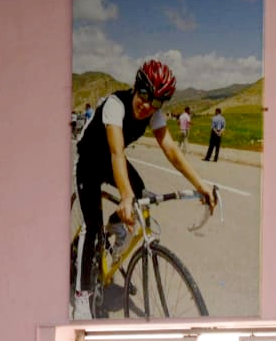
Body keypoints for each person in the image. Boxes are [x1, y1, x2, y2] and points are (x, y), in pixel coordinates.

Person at [72, 59, 216, 318]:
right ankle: (82, 296)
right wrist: (124, 195)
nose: (148, 105)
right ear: (135, 87)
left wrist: (200, 184)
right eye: (144, 95)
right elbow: (117, 153)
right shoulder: (115, 105)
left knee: (141, 195)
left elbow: (171, 150)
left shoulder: (154, 113)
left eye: (157, 102)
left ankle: (115, 225)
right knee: (91, 228)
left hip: (111, 160)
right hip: (90, 162)